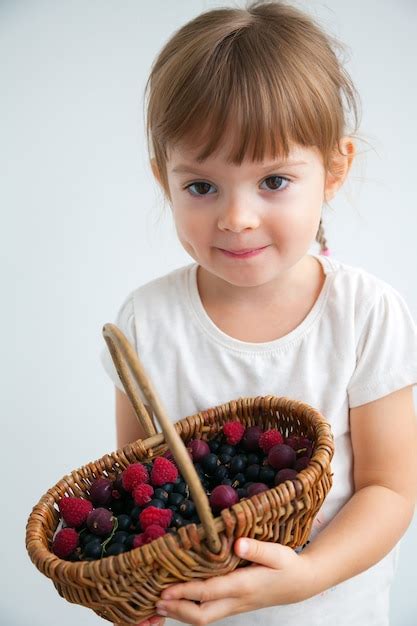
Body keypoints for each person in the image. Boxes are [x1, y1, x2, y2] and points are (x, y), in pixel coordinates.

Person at [100, 1, 417, 625]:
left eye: (273, 181)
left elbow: (391, 488)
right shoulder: (146, 322)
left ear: (333, 171)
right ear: (165, 179)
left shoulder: (364, 313)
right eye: (201, 186)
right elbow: (138, 490)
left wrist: (306, 578)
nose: (236, 217)